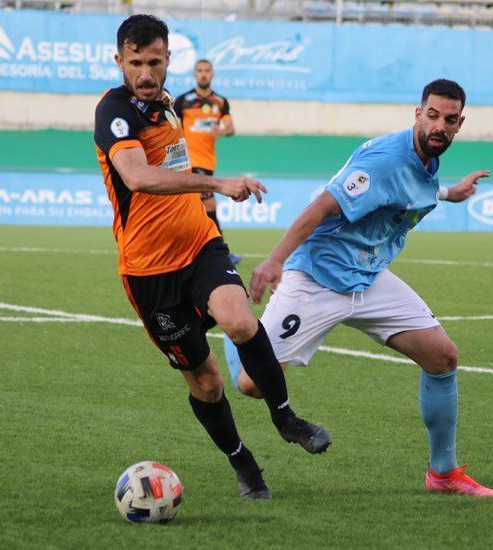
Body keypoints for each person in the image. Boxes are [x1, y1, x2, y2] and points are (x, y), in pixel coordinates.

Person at [93, 14, 330, 501]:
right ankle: (244, 464)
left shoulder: (168, 104)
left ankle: (285, 417)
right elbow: (138, 177)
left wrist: (205, 201)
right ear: (119, 61)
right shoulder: (114, 111)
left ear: (167, 60)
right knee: (206, 381)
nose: (145, 72)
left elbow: (173, 165)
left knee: (240, 321)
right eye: (135, 62)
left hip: (199, 245)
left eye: (154, 62)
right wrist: (217, 183)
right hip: (148, 272)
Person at [225, 79, 493, 498]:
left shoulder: (426, 160)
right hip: (318, 277)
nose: (439, 125)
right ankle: (239, 322)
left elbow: (410, 188)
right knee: (252, 384)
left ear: (460, 123)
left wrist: (448, 192)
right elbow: (320, 207)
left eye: (449, 119)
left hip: (368, 278)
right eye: (432, 115)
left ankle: (442, 474)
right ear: (417, 114)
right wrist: (276, 260)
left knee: (443, 356)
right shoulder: (385, 160)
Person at [174, 60, 242, 265]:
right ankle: (220, 252)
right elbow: (173, 128)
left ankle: (191, 249)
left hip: (208, 163)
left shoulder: (220, 102)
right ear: (195, 74)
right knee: (209, 202)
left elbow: (230, 128)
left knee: (196, 206)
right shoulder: (183, 101)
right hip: (189, 162)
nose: (203, 74)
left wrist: (220, 131)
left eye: (207, 71)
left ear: (212, 74)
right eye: (200, 71)